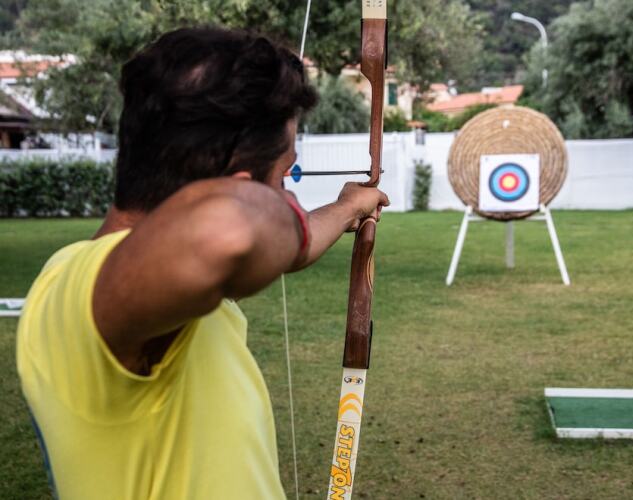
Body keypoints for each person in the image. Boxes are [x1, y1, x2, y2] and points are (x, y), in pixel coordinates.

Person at [16, 27, 389, 499]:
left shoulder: (164, 288)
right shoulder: (80, 291)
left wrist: (346, 208)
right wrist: (276, 209)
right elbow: (231, 233)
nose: (288, 193)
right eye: (284, 176)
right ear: (237, 186)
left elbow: (250, 234)